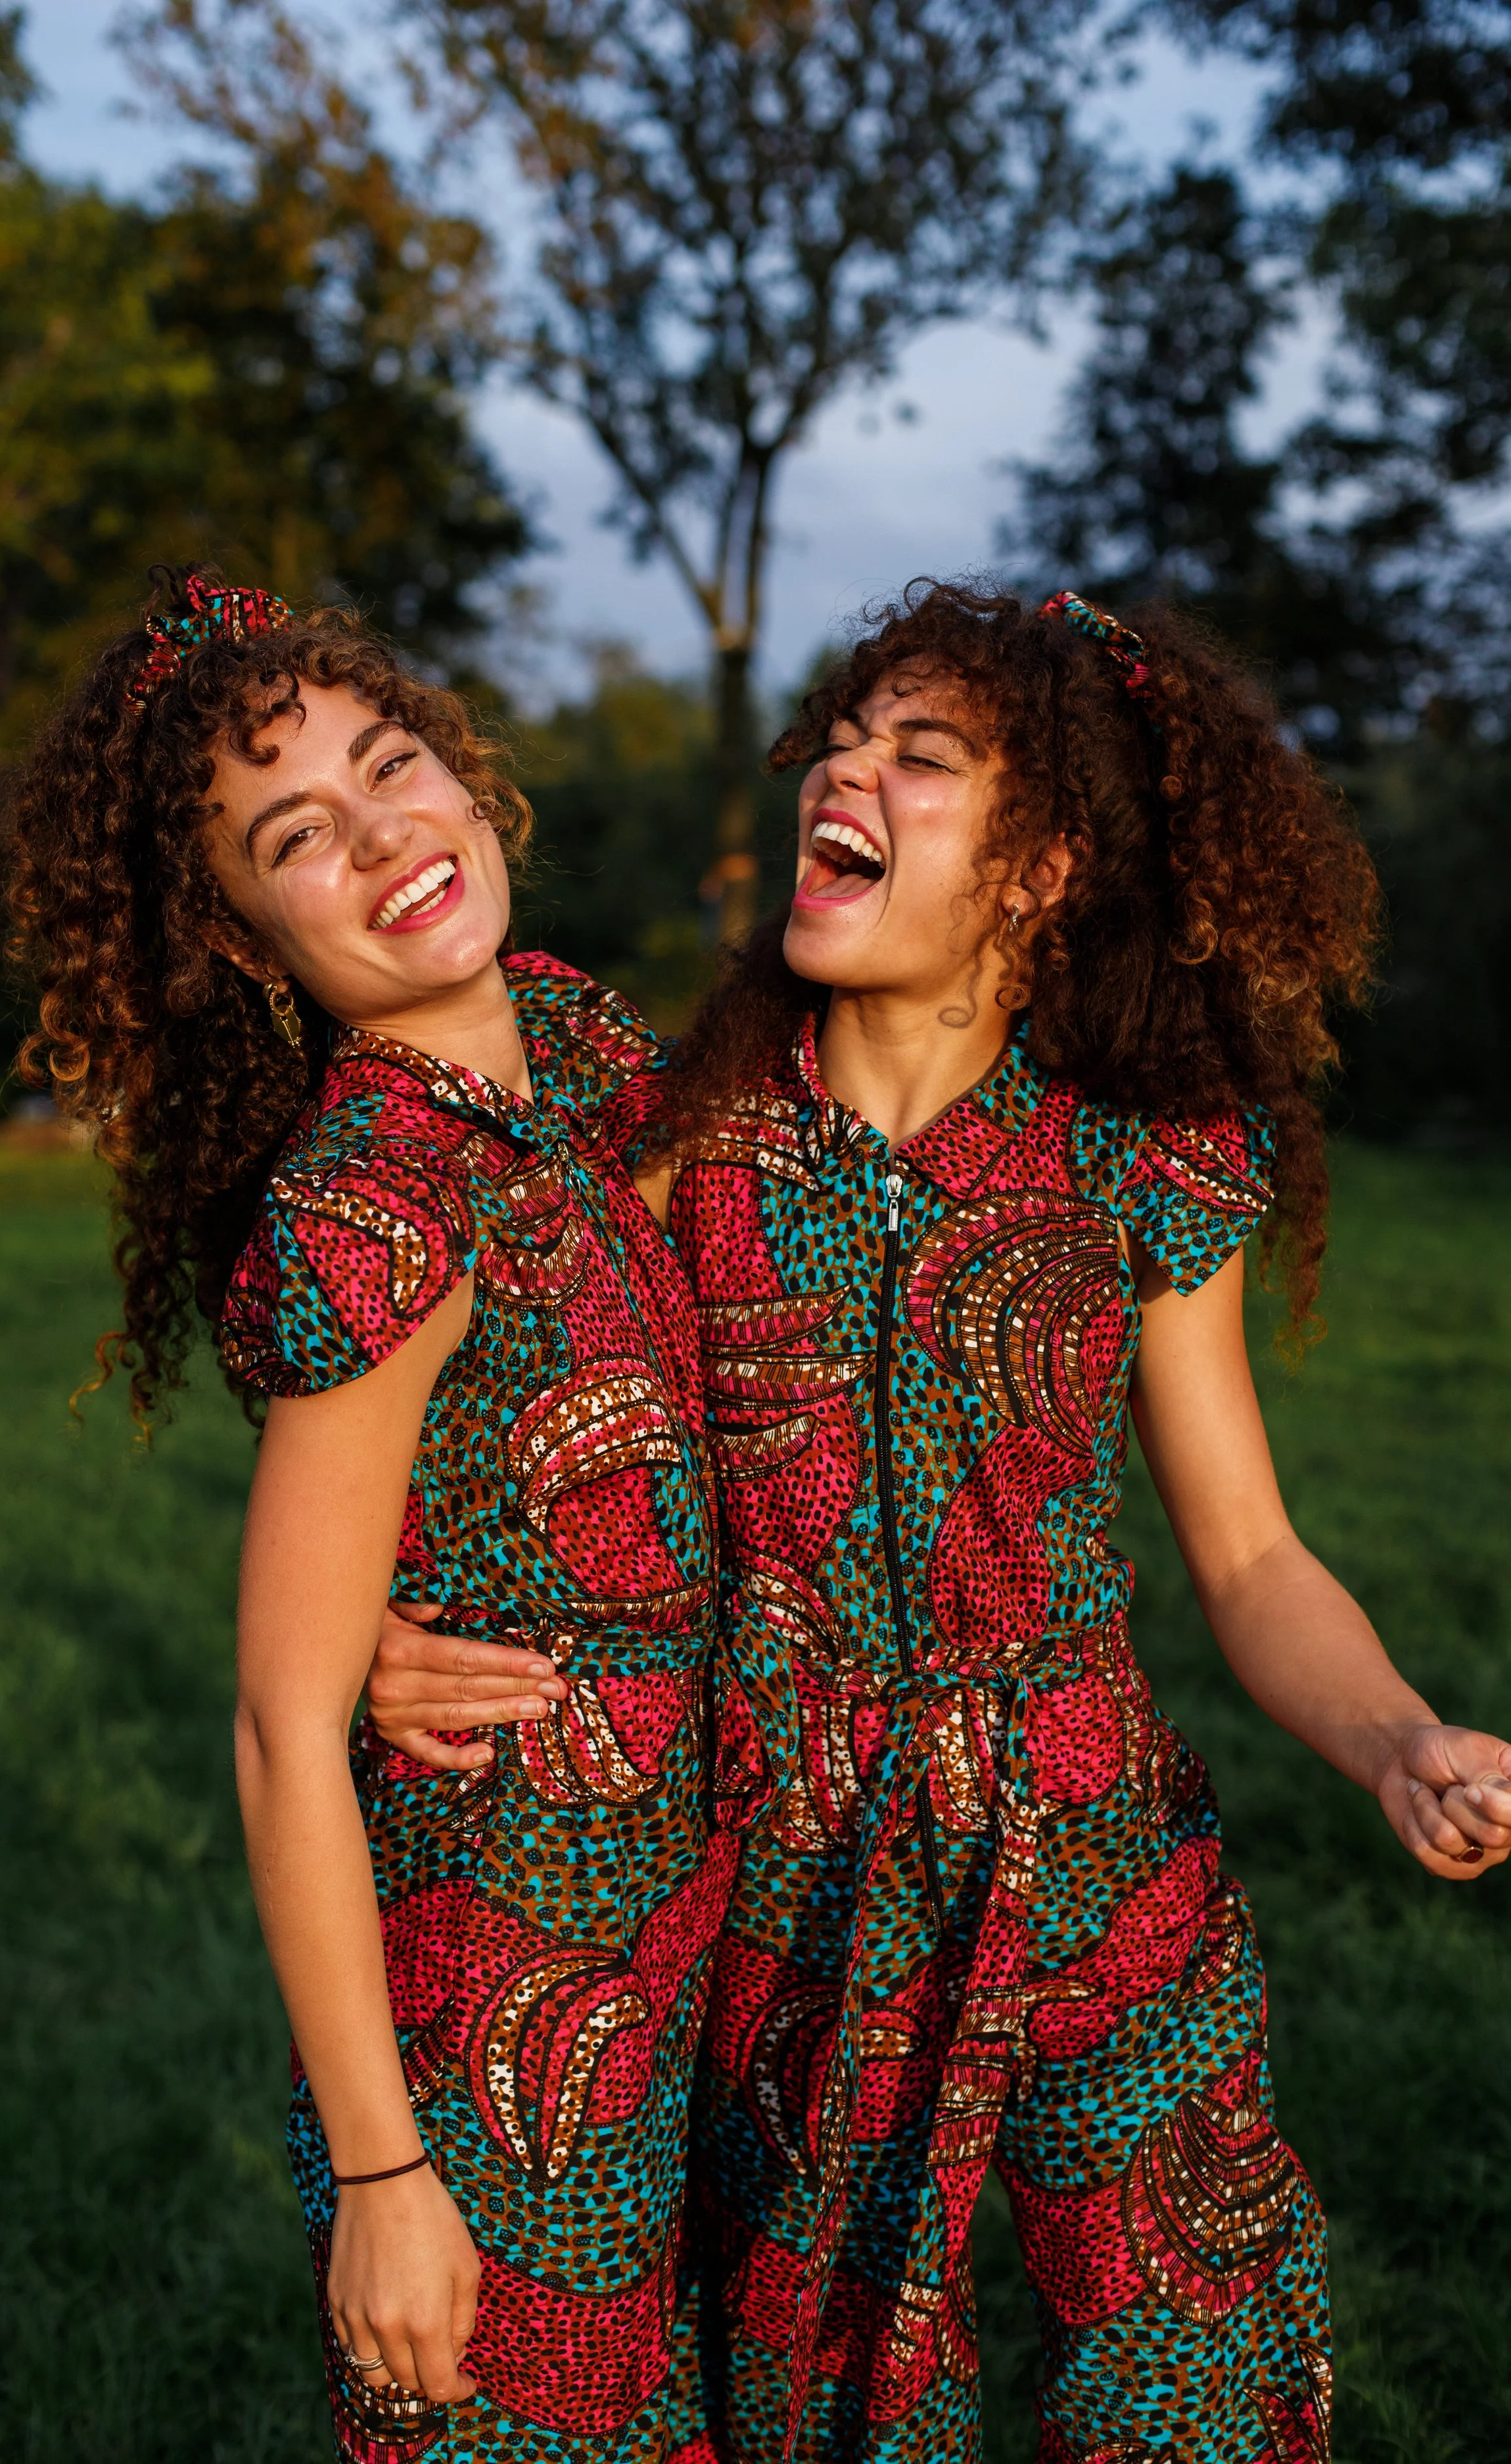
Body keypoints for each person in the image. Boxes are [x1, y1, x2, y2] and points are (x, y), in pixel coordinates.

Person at [366, 582, 1511, 2464]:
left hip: (1090, 1828)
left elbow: (1247, 1553)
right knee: (828, 2377)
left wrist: (1396, 1738)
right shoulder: (687, 1139)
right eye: (840, 740)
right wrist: (375, 1635)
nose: (845, 772)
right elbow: (451, 1429)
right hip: (784, 1847)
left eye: (921, 757)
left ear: (1038, 870)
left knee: (1192, 2342)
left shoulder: (1138, 1151)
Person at [7, 568, 737, 2463]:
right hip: (507, 2002)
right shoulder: (372, 1206)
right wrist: (384, 2175)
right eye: (295, 837)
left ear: (468, 776)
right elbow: (281, 1724)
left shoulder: (582, 1053)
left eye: (391, 765)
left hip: (698, 1935)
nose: (382, 836)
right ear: (246, 939)